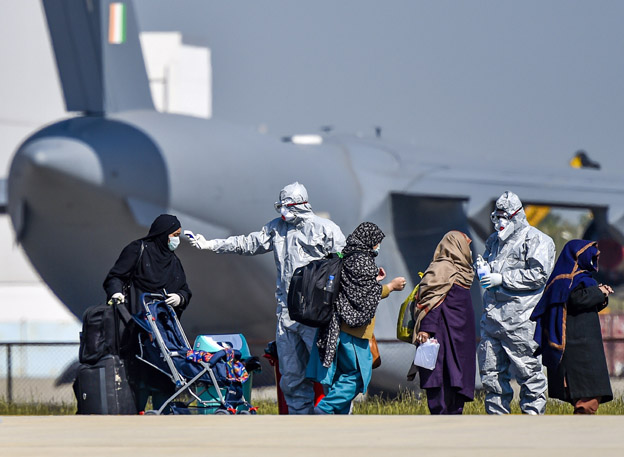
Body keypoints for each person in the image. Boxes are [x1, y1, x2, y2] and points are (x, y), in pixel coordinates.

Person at [189, 182, 346, 414]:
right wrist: (212, 244)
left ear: (302, 204)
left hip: (317, 314)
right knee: (291, 375)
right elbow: (247, 243)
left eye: (288, 206)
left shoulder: (326, 229)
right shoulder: (276, 229)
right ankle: (300, 423)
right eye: (281, 206)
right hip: (286, 315)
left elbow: (348, 262)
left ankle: (338, 419)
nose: (284, 212)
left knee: (327, 371)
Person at [308, 222, 406, 414]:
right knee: (357, 375)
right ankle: (324, 409)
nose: (378, 246)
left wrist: (374, 280)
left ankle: (338, 419)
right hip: (352, 332)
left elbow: (354, 288)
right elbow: (364, 295)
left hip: (336, 329)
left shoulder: (347, 257)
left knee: (340, 376)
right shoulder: (362, 261)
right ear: (369, 241)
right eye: (376, 242)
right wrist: (391, 286)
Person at [103, 214, 192, 412]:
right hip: (138, 325)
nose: (176, 239)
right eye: (174, 235)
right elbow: (115, 276)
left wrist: (179, 297)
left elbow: (185, 289)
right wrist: (116, 293)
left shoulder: (173, 261)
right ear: (163, 234)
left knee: (164, 376)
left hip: (164, 330)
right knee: (138, 377)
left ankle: (163, 415)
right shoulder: (137, 250)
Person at [478, 190, 555, 415]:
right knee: (491, 374)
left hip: (520, 320)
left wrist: (503, 278)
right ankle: (497, 423)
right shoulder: (493, 242)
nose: (500, 222)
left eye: (505, 216)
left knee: (529, 373)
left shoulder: (537, 240)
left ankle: (531, 423)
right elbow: (489, 269)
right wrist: (483, 269)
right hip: (492, 317)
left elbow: (539, 275)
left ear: (517, 215)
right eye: (497, 216)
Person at [531, 240, 613, 414]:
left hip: (585, 346)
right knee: (587, 397)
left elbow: (586, 302)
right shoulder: (565, 280)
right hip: (577, 348)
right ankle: (580, 435)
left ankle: (579, 434)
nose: (593, 261)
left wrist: (600, 294)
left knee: (589, 395)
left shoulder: (581, 279)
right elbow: (577, 299)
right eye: (591, 256)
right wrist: (599, 292)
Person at [406, 231, 475, 414]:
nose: (469, 249)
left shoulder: (465, 270)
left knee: (458, 377)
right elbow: (432, 300)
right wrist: (427, 329)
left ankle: (454, 416)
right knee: (440, 376)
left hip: (461, 336)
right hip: (441, 333)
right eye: (465, 244)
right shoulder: (441, 268)